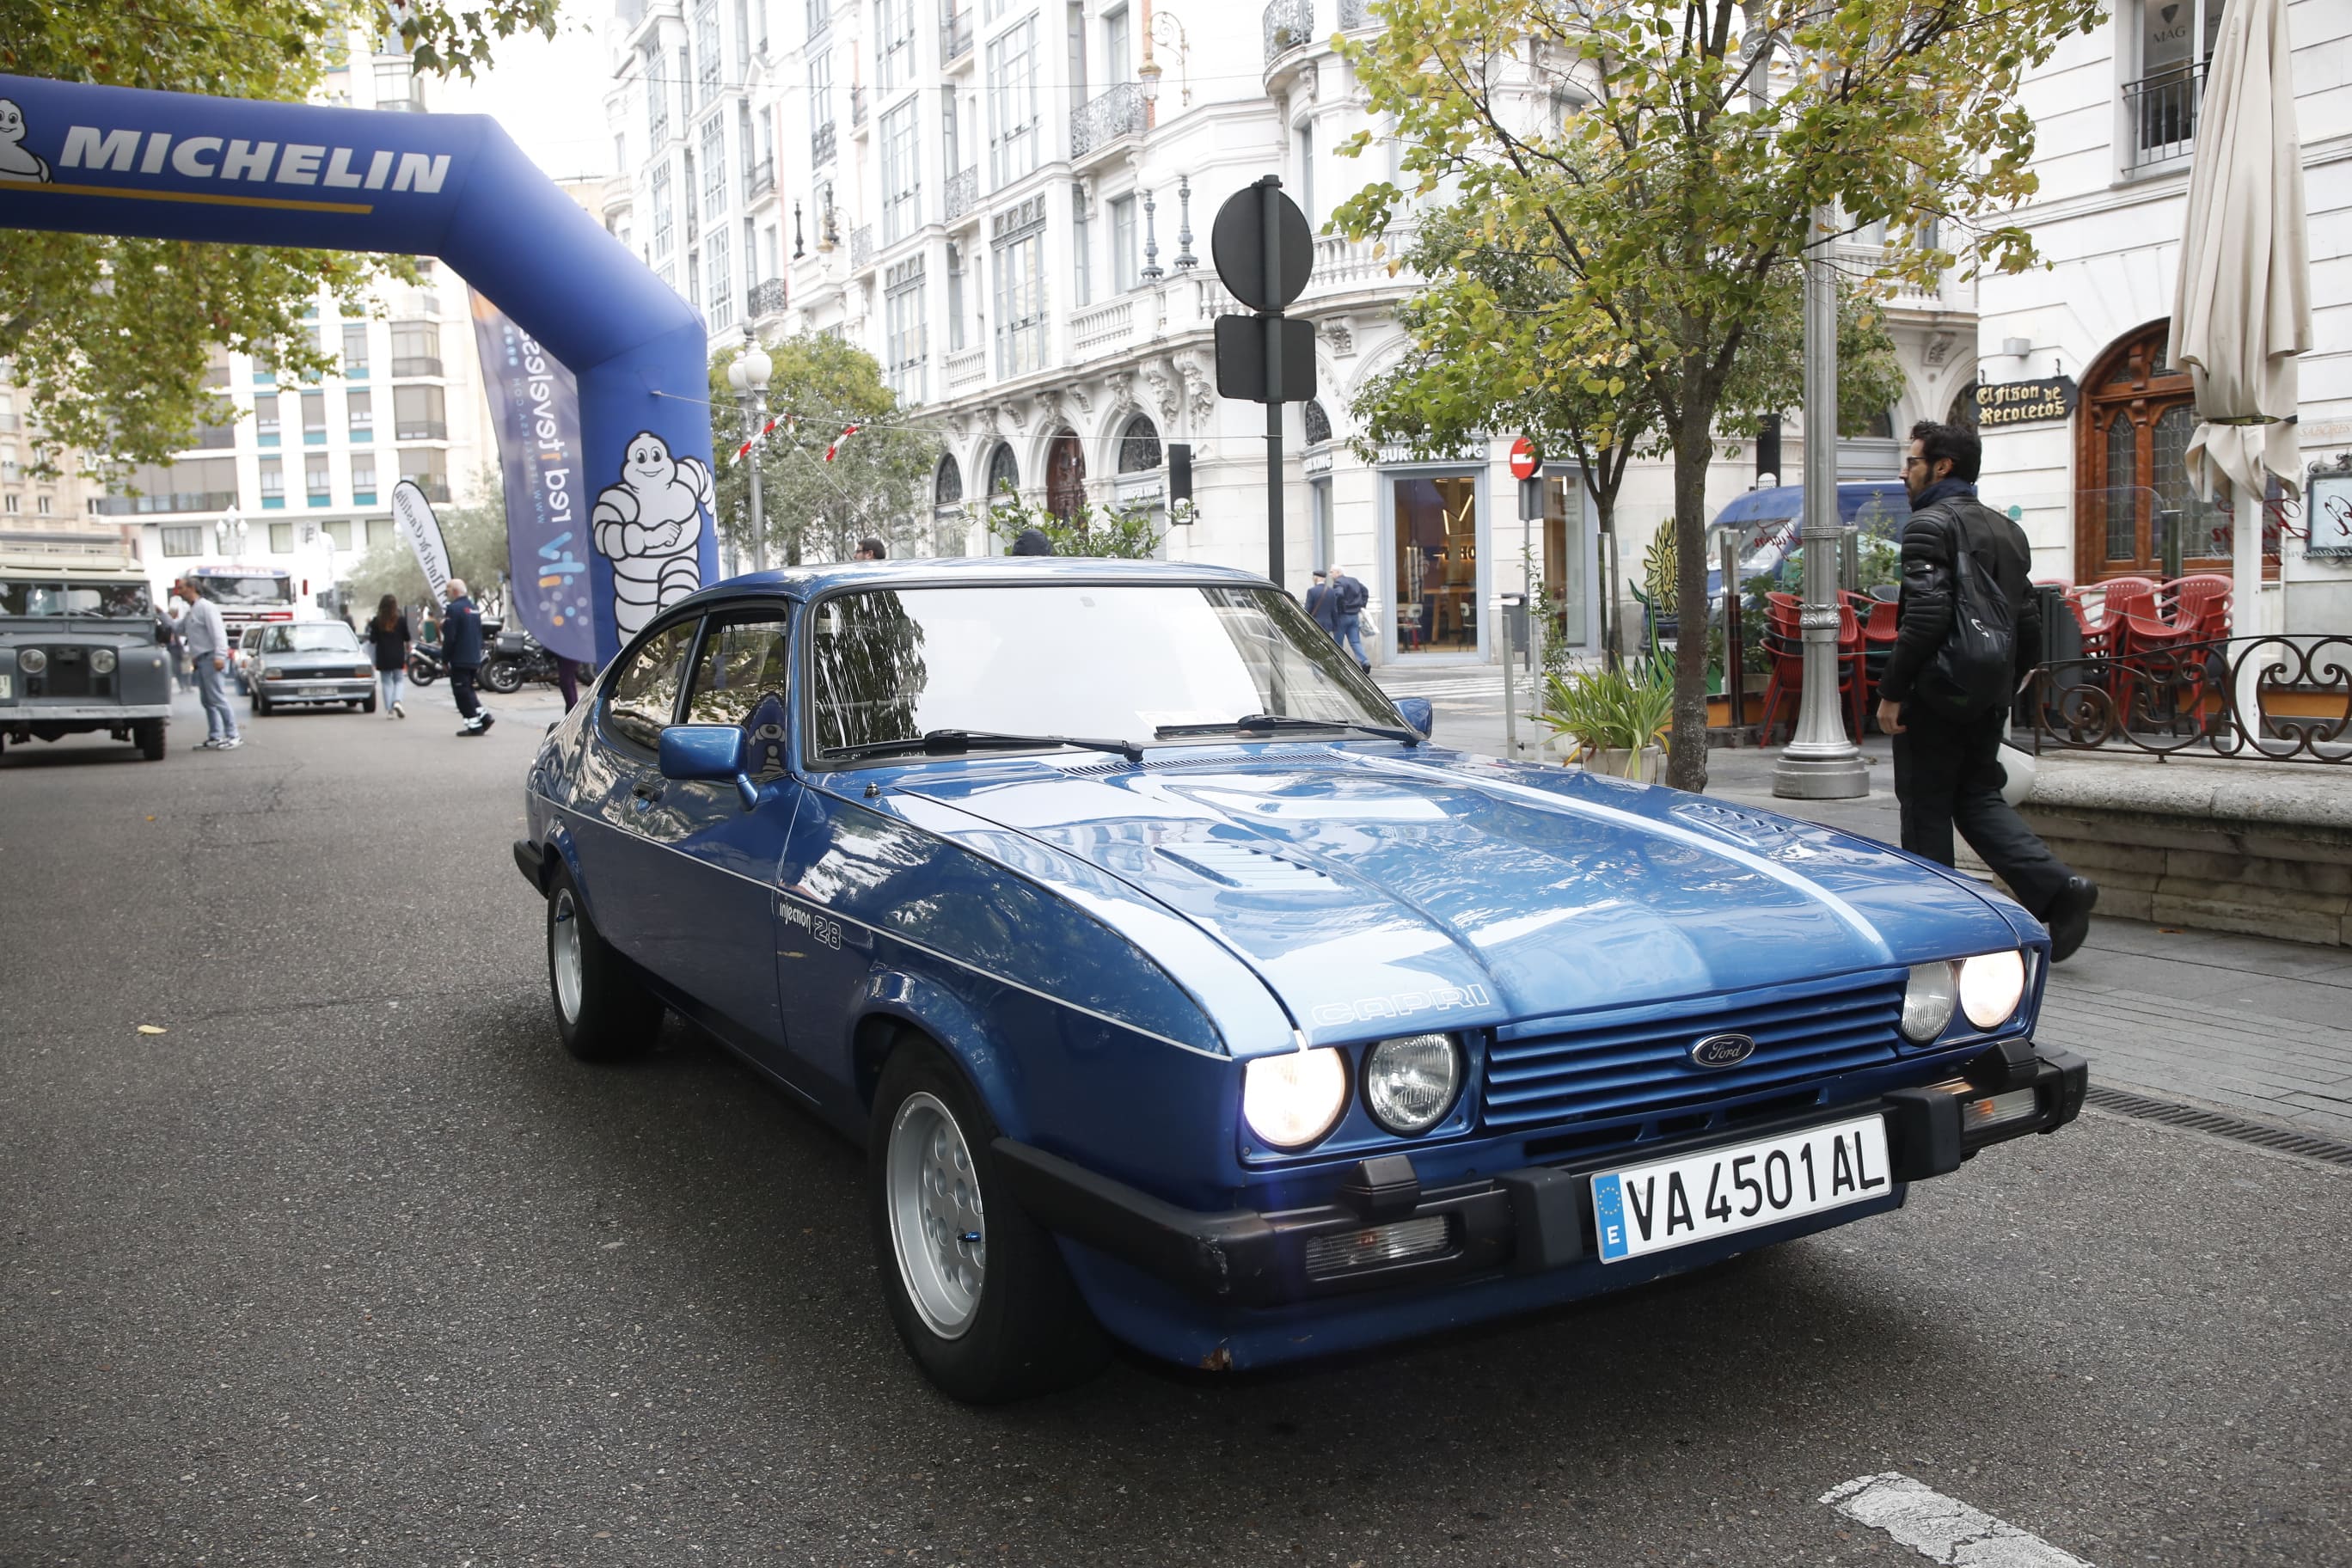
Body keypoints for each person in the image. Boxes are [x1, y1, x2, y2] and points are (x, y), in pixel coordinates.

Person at [1877, 420, 2098, 961]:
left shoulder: (1929, 525)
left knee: (1926, 807)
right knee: (1976, 797)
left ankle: (1939, 928)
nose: (1905, 471)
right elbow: (2027, 618)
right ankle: (2059, 890)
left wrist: (1893, 691)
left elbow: (1925, 618)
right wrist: (2010, 682)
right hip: (1988, 690)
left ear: (1941, 466)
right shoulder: (2006, 529)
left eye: (1912, 461)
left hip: (1936, 689)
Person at [173, 579, 241, 750]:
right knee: (207, 700)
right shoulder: (191, 610)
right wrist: (162, 616)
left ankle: (233, 735)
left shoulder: (206, 607)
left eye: (181, 588)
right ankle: (215, 736)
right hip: (201, 660)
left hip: (211, 658)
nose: (178, 592)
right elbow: (179, 628)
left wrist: (220, 656)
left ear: (192, 588)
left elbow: (218, 633)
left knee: (217, 698)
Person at [440, 577, 494, 738]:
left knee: (461, 693)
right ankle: (484, 717)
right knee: (468, 690)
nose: (447, 593)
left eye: (448, 590)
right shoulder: (473, 608)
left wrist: (444, 658)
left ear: (455, 591)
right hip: (473, 657)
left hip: (460, 658)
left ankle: (474, 724)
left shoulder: (454, 609)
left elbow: (450, 637)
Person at [364, 593, 412, 720]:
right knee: (399, 680)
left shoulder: (376, 621)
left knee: (386, 682)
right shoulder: (400, 620)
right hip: (397, 654)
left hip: (383, 655)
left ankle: (390, 710)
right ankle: (397, 701)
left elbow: (372, 640)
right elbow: (407, 637)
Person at [1326, 566, 1371, 671]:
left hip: (1342, 616)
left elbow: (1339, 594)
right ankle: (1365, 661)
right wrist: (1362, 605)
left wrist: (1338, 608)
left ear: (1338, 573)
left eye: (1331, 572)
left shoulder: (1338, 583)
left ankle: (1339, 665)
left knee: (1338, 642)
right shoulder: (1354, 581)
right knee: (1355, 641)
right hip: (1354, 615)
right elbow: (1365, 591)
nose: (1330, 574)